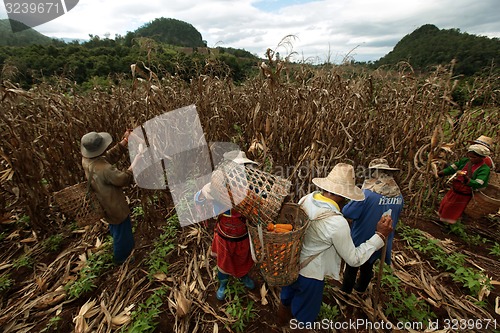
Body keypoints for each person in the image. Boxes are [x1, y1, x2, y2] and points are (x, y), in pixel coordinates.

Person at [278, 163, 393, 327]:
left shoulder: (307, 198)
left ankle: (280, 324)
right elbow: (354, 259)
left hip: (291, 264)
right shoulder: (337, 223)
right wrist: (380, 236)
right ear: (342, 195)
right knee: (305, 318)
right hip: (311, 275)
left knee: (286, 298)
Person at [194, 150, 257, 301]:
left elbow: (260, 206)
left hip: (242, 235)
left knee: (242, 259)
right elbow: (198, 198)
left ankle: (243, 276)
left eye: (242, 169)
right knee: (223, 262)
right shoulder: (217, 187)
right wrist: (203, 194)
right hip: (225, 236)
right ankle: (223, 283)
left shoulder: (250, 187)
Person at [341, 158, 404, 294]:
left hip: (361, 238)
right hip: (382, 240)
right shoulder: (399, 196)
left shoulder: (366, 194)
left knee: (352, 266)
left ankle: (346, 292)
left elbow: (348, 212)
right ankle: (361, 289)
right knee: (368, 266)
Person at [81, 130, 140, 265]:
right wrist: (135, 162)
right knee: (123, 232)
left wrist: (124, 142)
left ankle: (117, 241)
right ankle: (122, 259)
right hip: (113, 204)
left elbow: (107, 157)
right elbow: (123, 179)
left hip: (103, 201)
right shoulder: (105, 169)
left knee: (115, 225)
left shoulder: (87, 160)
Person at [437, 143, 491, 224]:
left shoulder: (484, 169)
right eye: (469, 156)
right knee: (445, 204)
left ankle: (448, 224)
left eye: (474, 157)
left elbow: (479, 182)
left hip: (464, 193)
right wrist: (443, 172)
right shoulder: (465, 161)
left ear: (482, 158)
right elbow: (453, 168)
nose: (471, 158)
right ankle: (441, 218)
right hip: (455, 189)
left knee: (453, 208)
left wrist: (467, 180)